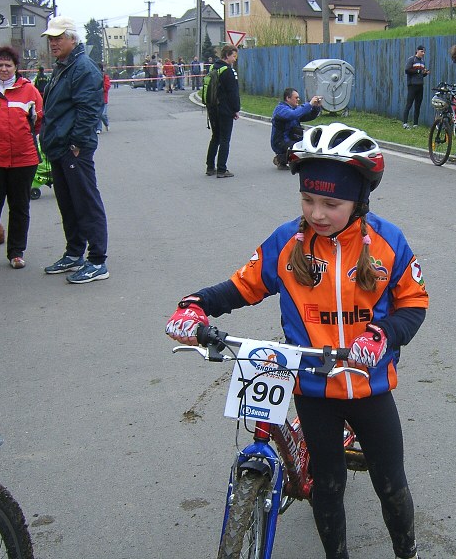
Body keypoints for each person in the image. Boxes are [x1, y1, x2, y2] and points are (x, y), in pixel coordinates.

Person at [166, 123, 428, 559]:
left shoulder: (388, 243)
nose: (318, 213)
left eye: (331, 202)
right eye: (308, 199)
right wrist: (195, 305)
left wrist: (383, 335)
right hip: (313, 388)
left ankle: (407, 550)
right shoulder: (288, 242)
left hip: (369, 387)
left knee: (390, 482)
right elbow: (240, 287)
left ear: (360, 200)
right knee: (326, 484)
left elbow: (414, 304)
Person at [39, 16, 110, 284]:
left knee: (86, 202)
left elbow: (89, 110)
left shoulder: (82, 68)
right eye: (51, 38)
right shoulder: (64, 66)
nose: (53, 43)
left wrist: (77, 144)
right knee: (68, 204)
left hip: (73, 149)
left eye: (58, 38)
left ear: (72, 38)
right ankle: (74, 253)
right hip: (59, 147)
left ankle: (97, 261)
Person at [0, 46, 43, 273]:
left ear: (16, 67)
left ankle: (16, 252)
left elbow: (38, 121)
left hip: (23, 158)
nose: (3, 69)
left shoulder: (29, 91)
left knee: (20, 206)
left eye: (8, 65)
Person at [204, 44, 240, 178]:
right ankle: (221, 169)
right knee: (225, 139)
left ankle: (210, 167)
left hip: (212, 108)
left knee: (215, 137)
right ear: (227, 55)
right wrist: (236, 110)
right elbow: (233, 93)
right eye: (234, 56)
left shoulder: (213, 67)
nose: (235, 59)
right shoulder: (228, 71)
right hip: (224, 110)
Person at [270, 87, 322, 170]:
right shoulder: (280, 110)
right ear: (288, 98)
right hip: (280, 143)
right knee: (300, 151)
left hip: (293, 139)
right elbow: (293, 115)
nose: (298, 99)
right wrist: (309, 104)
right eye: (296, 98)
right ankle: (281, 159)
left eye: (298, 97)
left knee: (310, 144)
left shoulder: (294, 109)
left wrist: (316, 107)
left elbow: (309, 116)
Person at [402, 45, 429, 129]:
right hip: (412, 85)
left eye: (424, 52)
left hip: (420, 85)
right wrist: (418, 71)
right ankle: (405, 123)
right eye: (421, 51)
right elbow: (407, 70)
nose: (423, 53)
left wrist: (425, 73)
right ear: (417, 51)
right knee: (409, 104)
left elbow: (421, 74)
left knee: (418, 105)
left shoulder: (423, 62)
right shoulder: (412, 59)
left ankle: (415, 124)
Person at [97, 63, 110, 133]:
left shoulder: (105, 77)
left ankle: (106, 123)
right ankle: (98, 128)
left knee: (103, 114)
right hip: (97, 99)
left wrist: (101, 88)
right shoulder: (94, 76)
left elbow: (107, 86)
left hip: (104, 99)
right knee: (98, 114)